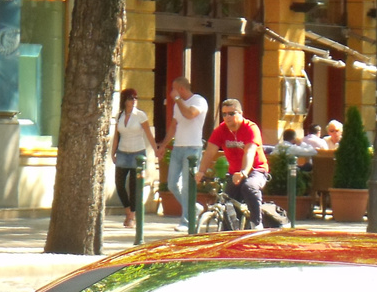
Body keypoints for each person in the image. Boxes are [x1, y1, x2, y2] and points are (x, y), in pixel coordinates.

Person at [198, 97, 268, 228]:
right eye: (224, 114)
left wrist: (243, 172)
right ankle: (229, 232)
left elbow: (250, 152)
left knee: (249, 187)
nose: (227, 117)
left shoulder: (250, 128)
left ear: (240, 113)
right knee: (227, 201)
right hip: (234, 173)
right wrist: (201, 171)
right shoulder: (221, 130)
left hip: (256, 170)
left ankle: (257, 224)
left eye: (231, 113)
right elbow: (209, 152)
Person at [159, 77, 209, 228]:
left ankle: (186, 221)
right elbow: (174, 126)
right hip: (178, 147)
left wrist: (178, 99)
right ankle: (193, 207)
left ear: (181, 89)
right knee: (172, 184)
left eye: (174, 88)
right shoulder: (177, 105)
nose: (171, 92)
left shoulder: (198, 101)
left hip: (192, 148)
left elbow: (189, 114)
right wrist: (163, 146)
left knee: (188, 185)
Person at [110, 87, 157, 228]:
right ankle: (128, 211)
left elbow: (148, 134)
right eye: (131, 98)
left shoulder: (140, 115)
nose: (134, 101)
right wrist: (113, 152)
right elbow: (117, 136)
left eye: (136, 98)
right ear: (125, 100)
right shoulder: (120, 115)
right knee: (119, 184)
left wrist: (156, 151)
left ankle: (131, 216)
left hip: (138, 153)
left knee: (134, 186)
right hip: (123, 152)